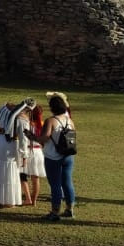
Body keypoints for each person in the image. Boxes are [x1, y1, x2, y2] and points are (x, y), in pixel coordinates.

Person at [0, 98, 33, 207]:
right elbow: (24, 139)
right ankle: (8, 201)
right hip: (9, 145)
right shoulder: (22, 119)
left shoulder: (3, 108)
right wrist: (25, 156)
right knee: (9, 171)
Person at [40, 92, 76, 221]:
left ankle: (55, 212)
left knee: (55, 184)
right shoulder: (69, 120)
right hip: (68, 156)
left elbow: (44, 138)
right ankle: (69, 209)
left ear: (52, 107)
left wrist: (32, 137)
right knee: (67, 183)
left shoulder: (50, 121)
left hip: (53, 157)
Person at [21, 104, 45, 206]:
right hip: (39, 152)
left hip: (29, 151)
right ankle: (34, 200)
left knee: (22, 175)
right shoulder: (42, 124)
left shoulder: (27, 124)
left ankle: (28, 198)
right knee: (36, 178)